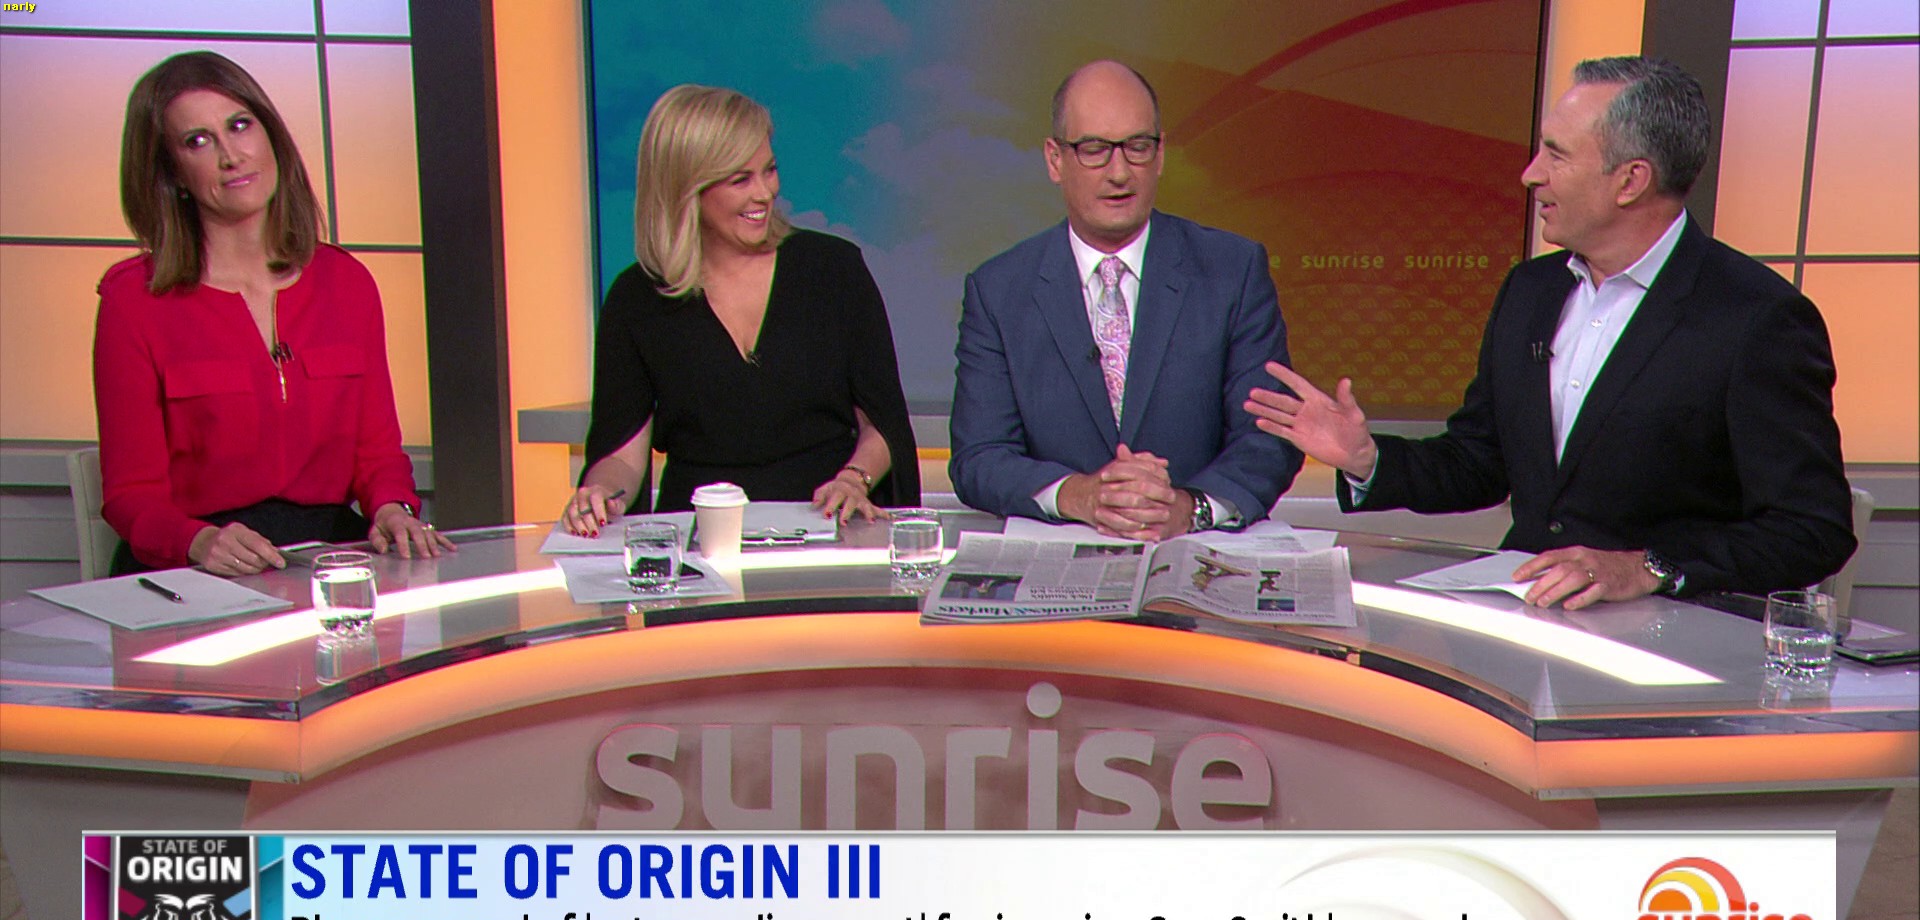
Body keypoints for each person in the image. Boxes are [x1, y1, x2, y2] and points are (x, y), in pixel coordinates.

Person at [1245, 56, 1854, 608]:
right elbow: (1481, 461)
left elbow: (1812, 529)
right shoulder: (1531, 290)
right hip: (1529, 617)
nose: (1530, 175)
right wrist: (1368, 459)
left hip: (1677, 636)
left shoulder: (1756, 318)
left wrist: (1647, 566)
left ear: (1630, 181)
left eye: (1556, 155)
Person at [94, 51, 448, 577]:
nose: (231, 156)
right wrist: (197, 542)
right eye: (198, 141)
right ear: (172, 174)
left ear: (271, 137)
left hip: (325, 556)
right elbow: (131, 494)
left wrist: (392, 508)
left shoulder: (346, 283)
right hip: (193, 568)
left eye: (240, 126)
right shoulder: (134, 300)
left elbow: (376, 455)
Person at [948, 60, 1298, 540]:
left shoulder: (1233, 271)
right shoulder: (998, 290)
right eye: (1094, 149)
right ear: (1055, 160)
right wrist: (1081, 496)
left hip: (1195, 552)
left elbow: (1268, 439)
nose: (1119, 173)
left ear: (1160, 155)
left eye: (1137, 147)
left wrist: (1188, 508)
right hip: (1062, 561)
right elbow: (979, 458)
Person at [564, 85, 918, 534]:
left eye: (769, 170)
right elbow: (622, 455)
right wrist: (599, 494)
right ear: (687, 190)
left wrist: (853, 479)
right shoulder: (637, 299)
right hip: (701, 536)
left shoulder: (833, 270)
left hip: (829, 525)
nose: (765, 193)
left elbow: (883, 422)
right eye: (740, 180)